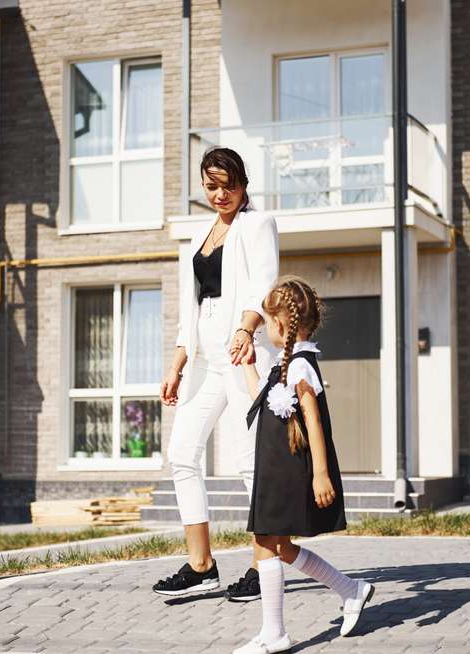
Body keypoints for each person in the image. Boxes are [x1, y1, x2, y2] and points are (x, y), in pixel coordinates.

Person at [152, 147, 279, 602]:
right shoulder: (198, 236)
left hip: (242, 354)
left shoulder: (257, 225)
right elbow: (193, 308)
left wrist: (247, 328)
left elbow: (264, 282)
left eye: (229, 185)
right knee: (182, 453)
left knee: (249, 463)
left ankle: (262, 567)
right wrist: (177, 364)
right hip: (205, 359)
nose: (221, 194)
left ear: (244, 184)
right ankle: (202, 564)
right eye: (212, 186)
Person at [234, 276, 375, 653]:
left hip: (289, 472)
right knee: (278, 546)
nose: (265, 332)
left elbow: (314, 421)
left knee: (266, 541)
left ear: (280, 325)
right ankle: (351, 589)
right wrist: (248, 366)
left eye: (267, 324)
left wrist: (320, 474)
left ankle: (274, 633)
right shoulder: (286, 364)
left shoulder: (300, 367)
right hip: (276, 470)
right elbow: (260, 400)